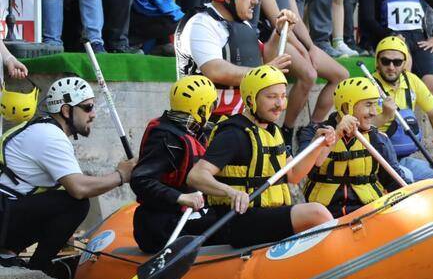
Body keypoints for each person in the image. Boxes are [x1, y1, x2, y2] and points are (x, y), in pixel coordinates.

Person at [187, 66, 335, 247]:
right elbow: (196, 176)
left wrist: (317, 145)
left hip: (266, 214)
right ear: (250, 99)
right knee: (316, 213)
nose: (280, 104)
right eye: (271, 97)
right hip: (236, 219)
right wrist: (230, 192)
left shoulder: (272, 131)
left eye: (283, 96)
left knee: (316, 215)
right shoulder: (233, 134)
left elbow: (294, 175)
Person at [0, 77, 137, 271]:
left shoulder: (45, 130)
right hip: (4, 210)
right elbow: (79, 188)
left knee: (64, 201)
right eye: (88, 107)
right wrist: (121, 175)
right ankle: (39, 268)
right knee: (75, 204)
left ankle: (7, 253)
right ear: (66, 110)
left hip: (7, 209)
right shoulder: (49, 136)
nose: (93, 114)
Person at [259, 0, 348, 147]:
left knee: (341, 75)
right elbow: (276, 21)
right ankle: (287, 131)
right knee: (309, 74)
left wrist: (311, 47)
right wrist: (301, 49)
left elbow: (295, 16)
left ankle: (313, 127)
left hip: (288, 37)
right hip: (270, 38)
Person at [174, 0, 294, 120]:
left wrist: (278, 33)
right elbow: (215, 70)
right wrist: (262, 72)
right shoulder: (201, 23)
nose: (255, 1)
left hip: (240, 118)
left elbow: (264, 60)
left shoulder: (242, 23)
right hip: (207, 120)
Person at [130, 76, 219, 253]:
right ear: (201, 109)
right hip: (160, 223)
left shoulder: (196, 130)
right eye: (211, 106)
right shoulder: (166, 138)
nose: (212, 111)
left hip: (184, 216)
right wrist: (181, 198)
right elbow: (140, 181)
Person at [299, 77, 406, 218]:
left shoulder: (377, 139)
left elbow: (396, 184)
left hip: (367, 213)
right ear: (345, 107)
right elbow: (305, 170)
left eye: (375, 104)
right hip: (325, 215)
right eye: (368, 105)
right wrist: (336, 135)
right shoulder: (313, 133)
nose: (374, 112)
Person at [372, 36, 433, 181]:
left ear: (404, 63)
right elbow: (360, 128)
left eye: (397, 62)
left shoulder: (412, 80)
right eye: (385, 61)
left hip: (403, 158)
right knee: (407, 177)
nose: (391, 67)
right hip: (376, 160)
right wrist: (385, 116)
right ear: (377, 62)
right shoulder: (368, 84)